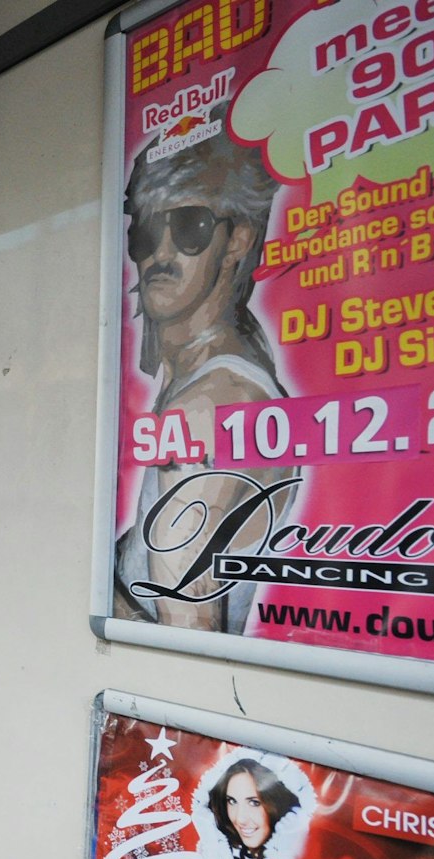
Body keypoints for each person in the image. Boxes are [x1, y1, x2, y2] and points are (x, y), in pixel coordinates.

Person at [114, 106, 292, 634]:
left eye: (189, 226)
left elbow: (185, 621)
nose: (160, 253)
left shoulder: (210, 402)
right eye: (146, 233)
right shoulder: (201, 377)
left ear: (237, 239)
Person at [191, 750, 313, 859]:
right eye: (232, 801)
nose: (240, 818)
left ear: (278, 802)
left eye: (254, 803)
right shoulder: (210, 855)